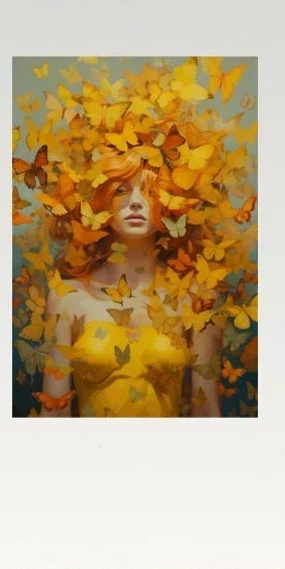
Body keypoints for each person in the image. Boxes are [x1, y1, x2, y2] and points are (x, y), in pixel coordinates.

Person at [34, 159, 223, 419]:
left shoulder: (196, 298)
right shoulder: (68, 297)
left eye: (151, 191)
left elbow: (206, 410)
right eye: (121, 190)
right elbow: (54, 411)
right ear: (100, 200)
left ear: (171, 203)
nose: (135, 202)